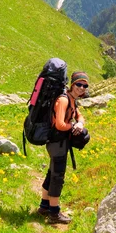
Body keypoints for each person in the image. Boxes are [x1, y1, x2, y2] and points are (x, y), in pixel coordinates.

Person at [38, 71, 89, 224]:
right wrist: (72, 126)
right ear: (72, 84)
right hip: (56, 142)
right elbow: (60, 124)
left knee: (52, 172)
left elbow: (79, 116)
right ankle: (54, 214)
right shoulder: (64, 100)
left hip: (60, 142)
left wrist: (79, 123)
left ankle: (44, 207)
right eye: (79, 84)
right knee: (57, 176)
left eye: (84, 85)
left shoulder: (73, 100)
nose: (81, 88)